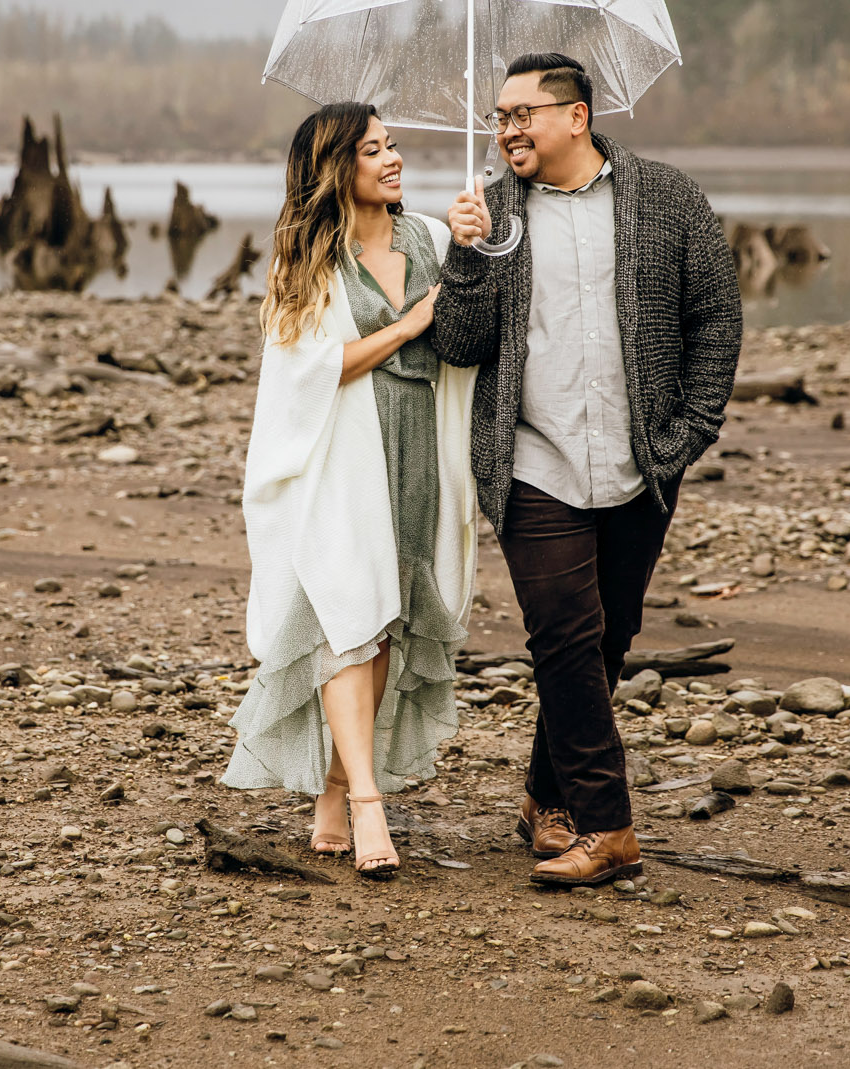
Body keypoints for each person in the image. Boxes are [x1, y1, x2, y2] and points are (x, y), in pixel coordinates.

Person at [434, 52, 742, 887]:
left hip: (642, 460)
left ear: (577, 116)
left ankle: (545, 796)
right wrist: (464, 256)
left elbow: (716, 314)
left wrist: (690, 431)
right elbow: (460, 346)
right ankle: (609, 828)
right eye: (498, 116)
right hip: (533, 459)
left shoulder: (666, 197)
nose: (505, 129)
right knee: (562, 633)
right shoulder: (491, 211)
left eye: (521, 113)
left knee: (607, 636)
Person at [223, 101, 478, 879]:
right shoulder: (305, 261)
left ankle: (334, 787)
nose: (393, 158)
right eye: (374, 149)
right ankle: (369, 801)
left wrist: (477, 245)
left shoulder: (432, 239)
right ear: (340, 167)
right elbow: (310, 369)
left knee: (389, 622)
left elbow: (475, 328)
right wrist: (407, 326)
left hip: (420, 450)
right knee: (345, 620)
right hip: (343, 454)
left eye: (393, 145)